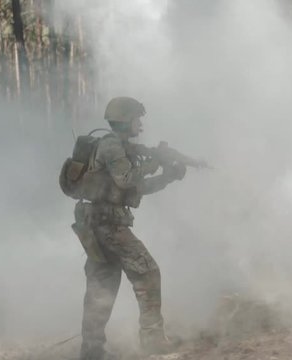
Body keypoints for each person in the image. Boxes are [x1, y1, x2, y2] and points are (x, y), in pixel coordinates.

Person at [73, 97, 186, 359]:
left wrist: (168, 177)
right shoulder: (112, 146)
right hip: (108, 225)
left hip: (97, 224)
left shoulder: (118, 148)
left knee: (102, 285)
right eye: (138, 119)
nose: (141, 124)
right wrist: (153, 163)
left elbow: (137, 189)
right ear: (126, 120)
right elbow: (126, 181)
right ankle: (153, 341)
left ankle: (91, 350)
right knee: (147, 272)